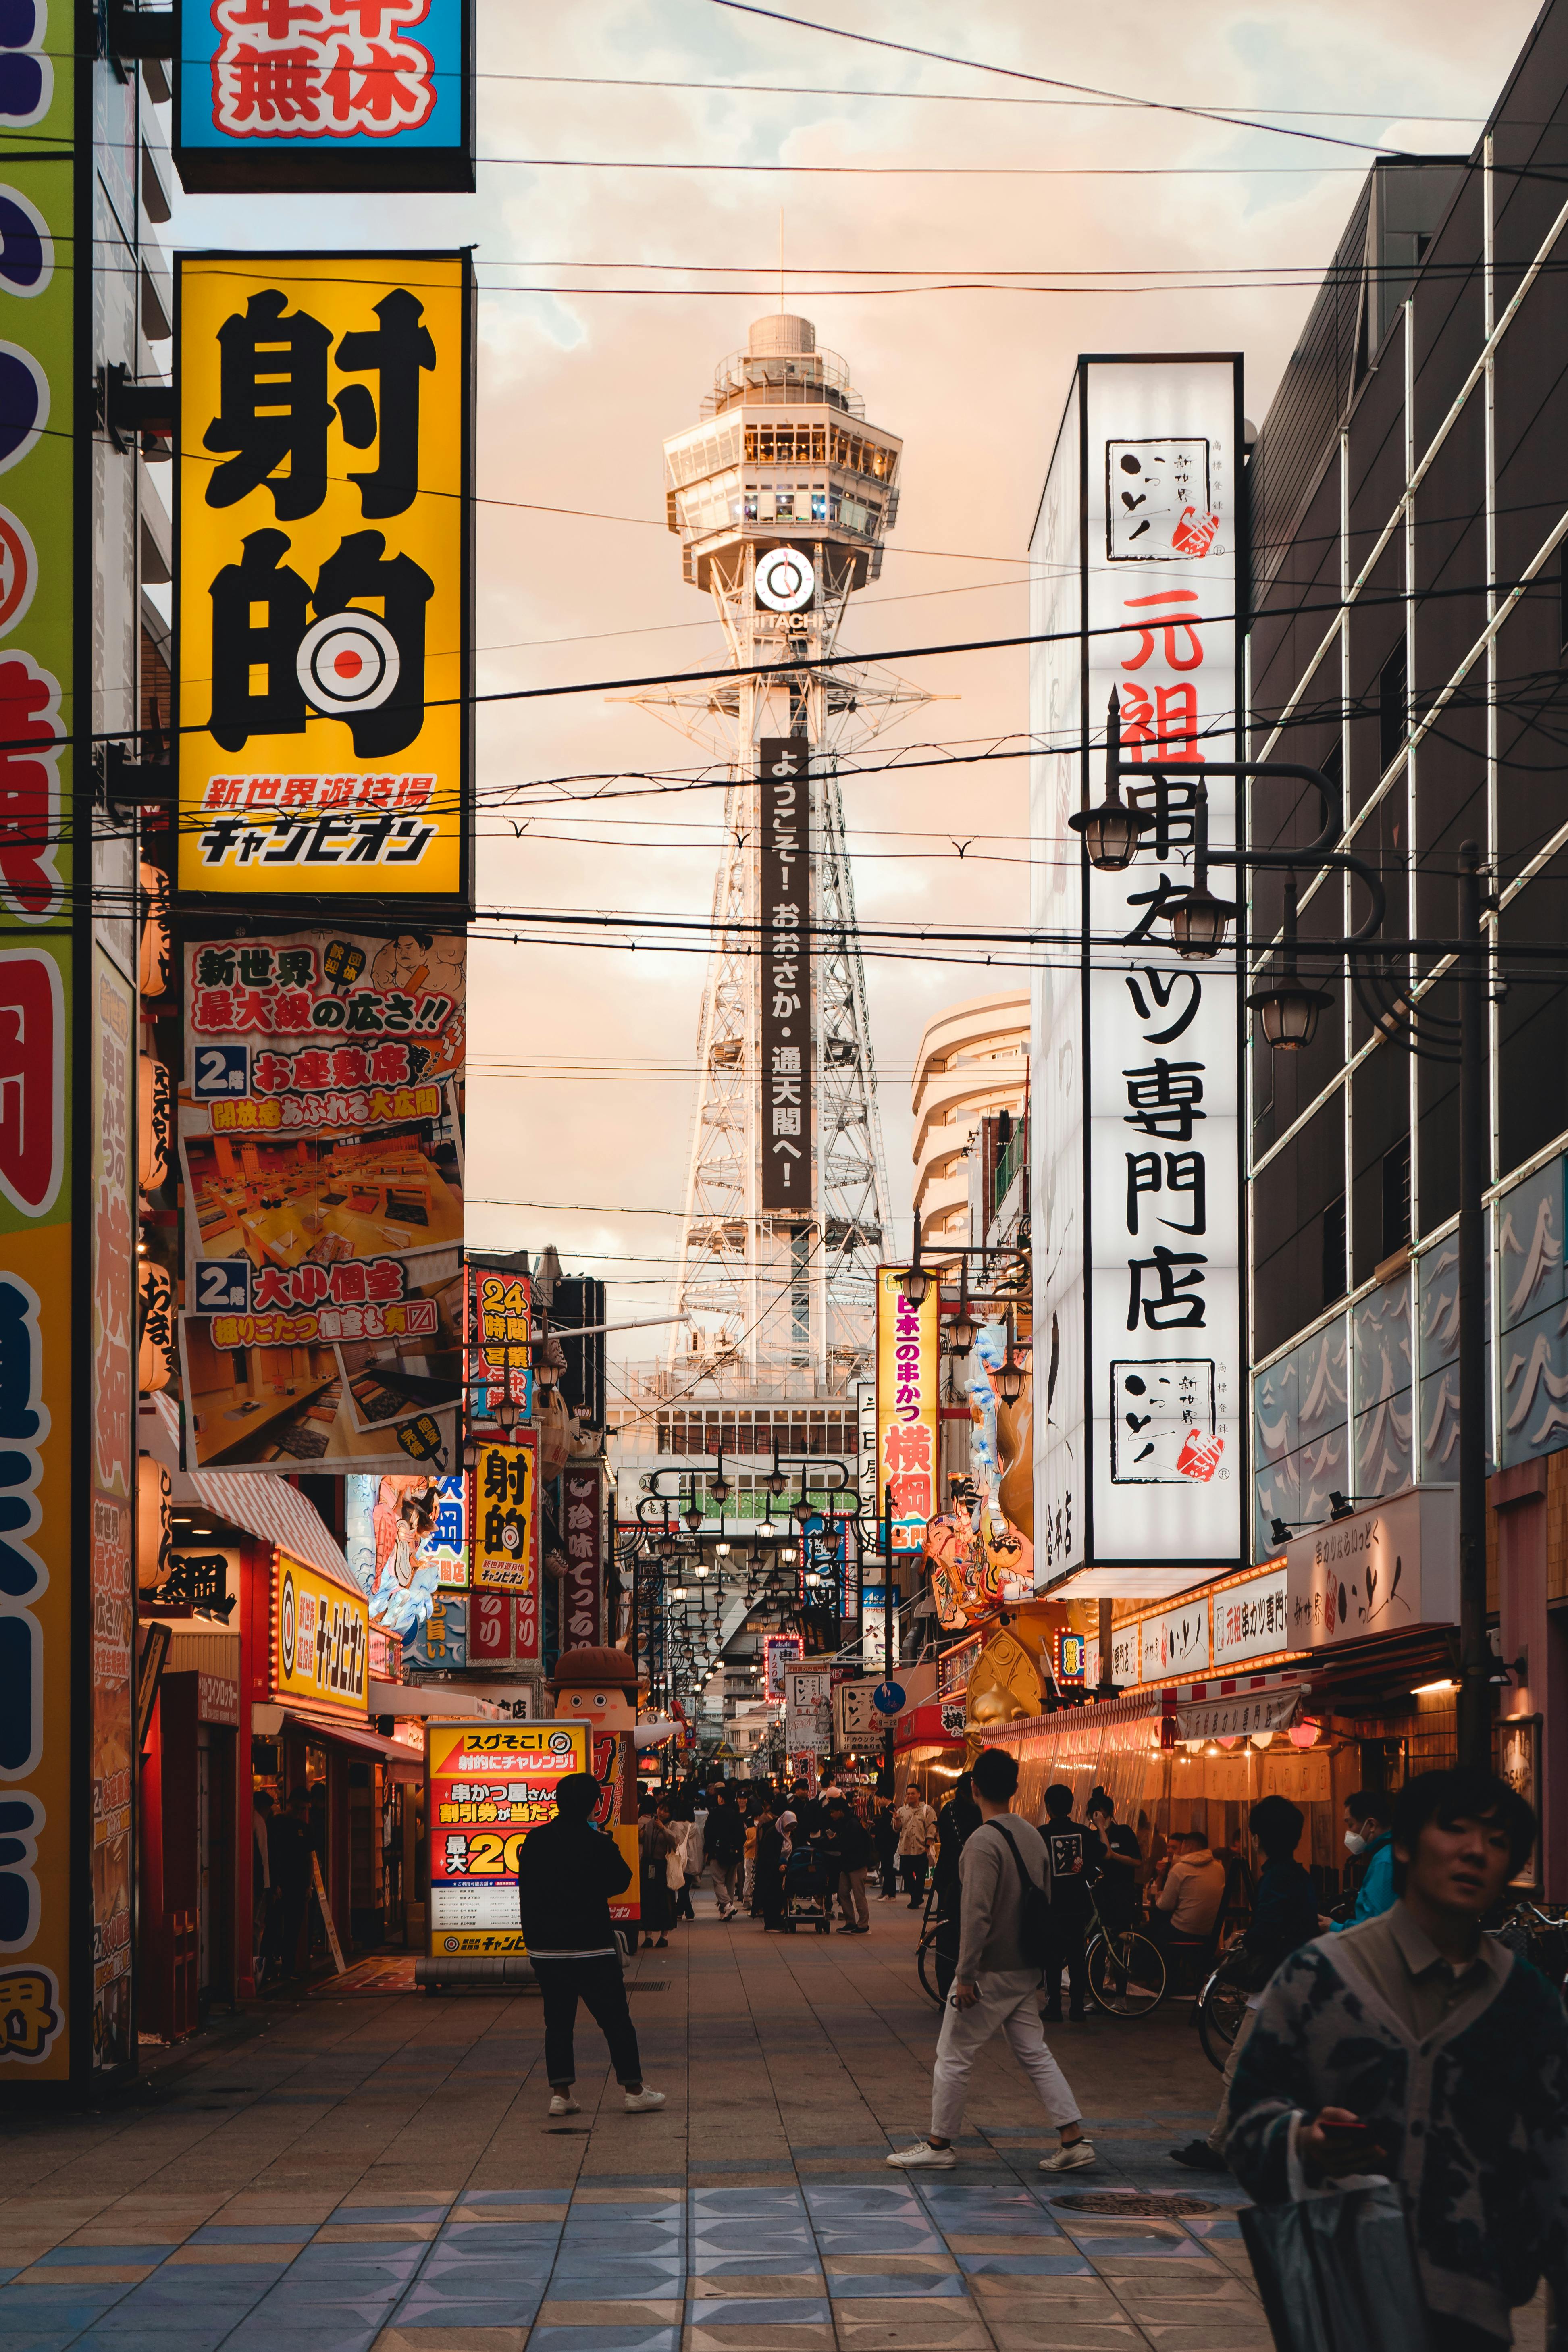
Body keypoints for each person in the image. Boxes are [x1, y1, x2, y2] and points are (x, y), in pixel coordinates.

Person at [1226, 1769, 1568, 2352]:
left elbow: (1553, 2163)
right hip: (1339, 2293)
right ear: (1404, 1844)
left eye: (1496, 1838)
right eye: (1454, 1829)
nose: (1474, 1851)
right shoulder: (1318, 1976)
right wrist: (1305, 2138)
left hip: (1473, 2309)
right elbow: (1246, 2122)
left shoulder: (1525, 2000)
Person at [887, 1746, 1095, 2176]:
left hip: (990, 1970)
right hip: (1026, 1964)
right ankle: (1072, 2138)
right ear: (1016, 1788)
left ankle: (939, 2143)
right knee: (1034, 2052)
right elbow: (1046, 1899)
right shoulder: (1031, 1835)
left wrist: (965, 1976)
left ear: (974, 1787)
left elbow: (974, 1914)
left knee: (953, 2053)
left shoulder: (982, 1842)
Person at [1169, 1794, 1320, 2173]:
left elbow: (1268, 1932)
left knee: (1242, 2066)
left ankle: (1222, 2146)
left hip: (1275, 1987)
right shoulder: (1298, 1875)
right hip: (1297, 1984)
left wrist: (1244, 1939)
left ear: (1258, 1838)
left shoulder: (1276, 1878)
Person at [516, 1770, 666, 2117]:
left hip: (548, 1950)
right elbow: (622, 1878)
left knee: (557, 2022)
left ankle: (561, 2093)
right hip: (591, 1947)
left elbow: (527, 1891)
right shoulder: (597, 1842)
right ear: (593, 1805)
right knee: (616, 2019)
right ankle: (633, 2089)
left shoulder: (536, 1839)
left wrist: (533, 1942)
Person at [1039, 1784, 1103, 2025]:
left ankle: (1053, 2008)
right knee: (1077, 1959)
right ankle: (1077, 2009)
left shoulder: (1041, 1834)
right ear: (1072, 1806)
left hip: (1052, 1906)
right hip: (1079, 1906)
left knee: (1052, 1960)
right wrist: (1100, 1828)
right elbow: (1103, 1853)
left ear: (1048, 1807)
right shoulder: (1083, 1833)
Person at [930, 1773, 982, 2000]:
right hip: (967, 1880)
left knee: (947, 1938)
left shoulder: (948, 1810)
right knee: (968, 1935)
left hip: (949, 1882)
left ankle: (946, 1994)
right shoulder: (979, 1812)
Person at [1150, 1826, 1226, 1957]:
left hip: (1183, 1931)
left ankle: (1163, 1972)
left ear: (1189, 1847)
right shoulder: (1219, 1868)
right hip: (1210, 1932)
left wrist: (1159, 1898)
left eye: (1181, 1847)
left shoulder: (1181, 1868)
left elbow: (1165, 1905)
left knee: (1153, 1931)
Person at [1327, 1786, 1395, 1928]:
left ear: (1371, 1824)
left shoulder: (1384, 1862)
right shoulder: (1387, 1854)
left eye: (1351, 1824)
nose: (1349, 1832)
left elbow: (1376, 1928)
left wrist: (1334, 1927)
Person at [1084, 1789, 1140, 1933]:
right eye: (1096, 1816)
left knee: (1120, 1935)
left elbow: (1137, 1862)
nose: (1100, 1819)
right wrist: (1100, 1829)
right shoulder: (1091, 1837)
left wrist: (1114, 1855)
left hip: (1122, 1893)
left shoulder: (1124, 1832)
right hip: (1100, 1896)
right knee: (1099, 1936)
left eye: (1103, 1815)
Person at [636, 1794, 678, 1950]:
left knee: (664, 1901)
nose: (661, 1813)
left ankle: (664, 1935)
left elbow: (675, 1842)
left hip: (663, 1866)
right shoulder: (649, 1822)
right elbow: (642, 1840)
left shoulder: (673, 1825)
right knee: (647, 1899)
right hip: (647, 1864)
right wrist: (641, 1835)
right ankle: (648, 1936)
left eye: (665, 1811)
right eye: (660, 1809)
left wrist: (664, 1829)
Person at [827, 1794, 871, 1932]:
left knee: (859, 1896)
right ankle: (850, 1922)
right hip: (847, 1865)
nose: (831, 1815)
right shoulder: (845, 1823)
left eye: (833, 1812)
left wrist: (834, 1841)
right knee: (843, 1893)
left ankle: (863, 1925)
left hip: (857, 1866)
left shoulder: (853, 1824)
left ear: (841, 1811)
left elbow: (849, 1845)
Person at [703, 1783, 744, 1919]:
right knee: (730, 1883)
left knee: (718, 1881)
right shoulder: (736, 1815)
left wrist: (707, 1851)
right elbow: (742, 1836)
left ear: (721, 1799)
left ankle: (727, 1905)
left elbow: (708, 1833)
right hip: (734, 1853)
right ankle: (725, 1912)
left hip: (718, 1852)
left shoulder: (715, 1813)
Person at [896, 1788, 938, 1908]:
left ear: (919, 1794)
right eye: (908, 1794)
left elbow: (932, 1828)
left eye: (913, 1793)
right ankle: (917, 1897)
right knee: (906, 1872)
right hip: (906, 1849)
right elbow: (896, 1829)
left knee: (920, 1877)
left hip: (921, 1849)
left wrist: (927, 1845)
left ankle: (915, 1901)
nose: (910, 1796)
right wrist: (897, 1820)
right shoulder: (902, 1811)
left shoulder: (927, 1810)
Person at [754, 1798, 786, 1931]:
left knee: (776, 1894)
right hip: (770, 1868)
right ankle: (771, 1922)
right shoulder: (773, 1831)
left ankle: (776, 1920)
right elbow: (766, 1851)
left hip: (776, 1867)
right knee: (772, 1894)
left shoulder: (785, 1830)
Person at [874, 1796, 900, 1900]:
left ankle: (891, 1894)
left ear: (884, 1798)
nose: (878, 1802)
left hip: (889, 1844)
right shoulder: (887, 1809)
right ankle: (886, 1891)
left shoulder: (891, 1809)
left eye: (879, 1799)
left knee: (888, 1868)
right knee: (885, 1868)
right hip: (886, 1844)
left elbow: (889, 1827)